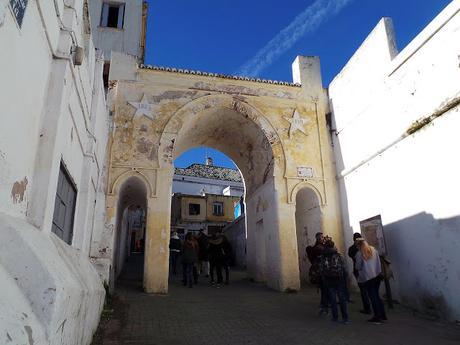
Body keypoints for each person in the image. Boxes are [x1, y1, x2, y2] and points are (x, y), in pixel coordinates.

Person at [355, 239, 388, 324]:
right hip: (376, 275)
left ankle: (377, 316)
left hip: (367, 277)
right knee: (376, 296)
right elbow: (378, 262)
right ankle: (382, 315)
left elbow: (358, 266)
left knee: (372, 297)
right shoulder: (373, 250)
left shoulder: (359, 253)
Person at [319, 238, 349, 324]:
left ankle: (335, 317)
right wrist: (345, 277)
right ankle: (345, 318)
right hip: (339, 278)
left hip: (329, 279)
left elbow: (321, 269)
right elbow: (343, 267)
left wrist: (323, 278)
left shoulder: (323, 257)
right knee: (342, 298)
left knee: (332, 299)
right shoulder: (338, 255)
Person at [348, 232, 371, 314]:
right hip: (369, 270)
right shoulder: (367, 247)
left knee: (364, 290)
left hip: (360, 271)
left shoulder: (354, 249)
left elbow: (352, 257)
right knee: (368, 290)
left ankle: (367, 308)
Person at [306, 232, 328, 314]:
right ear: (318, 238)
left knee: (324, 289)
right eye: (322, 237)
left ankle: (323, 305)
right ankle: (324, 306)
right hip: (322, 272)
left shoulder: (317, 247)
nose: (323, 238)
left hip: (319, 272)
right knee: (325, 289)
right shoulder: (319, 248)